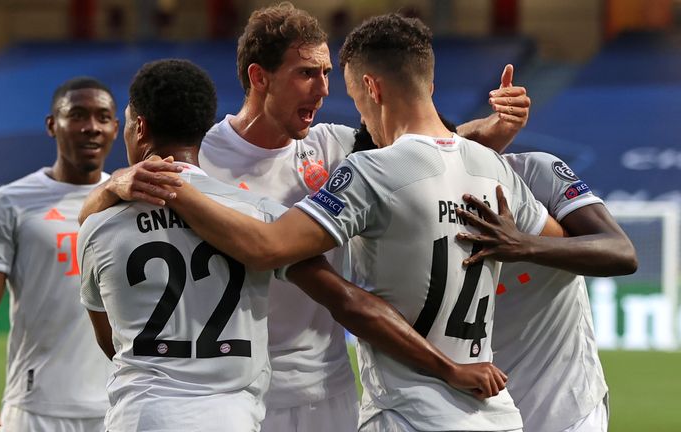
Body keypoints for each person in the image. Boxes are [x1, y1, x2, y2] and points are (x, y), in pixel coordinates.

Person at [79, 4, 531, 431]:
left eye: (327, 73)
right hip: (245, 387)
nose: (324, 88)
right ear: (260, 78)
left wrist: (489, 130)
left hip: (329, 385)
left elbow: (424, 149)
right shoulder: (204, 155)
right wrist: (109, 188)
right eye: (307, 74)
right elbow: (112, 214)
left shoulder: (336, 147)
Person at [0, 77, 121, 432]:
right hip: (34, 408)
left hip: (119, 403)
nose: (91, 127)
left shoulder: (127, 202)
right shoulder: (9, 202)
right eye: (77, 115)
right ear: (52, 125)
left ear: (115, 128)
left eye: (102, 117)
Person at [453, 152, 636, 431]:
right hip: (470, 408)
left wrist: (523, 245)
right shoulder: (404, 190)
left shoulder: (533, 171)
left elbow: (622, 253)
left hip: (568, 409)